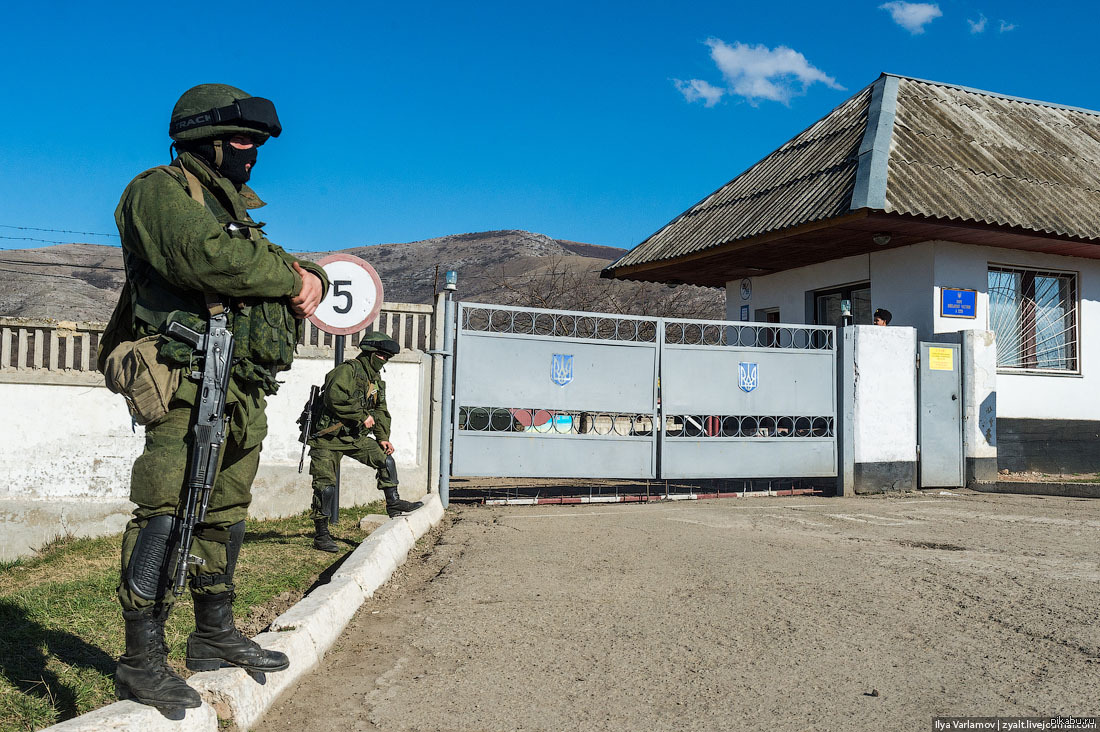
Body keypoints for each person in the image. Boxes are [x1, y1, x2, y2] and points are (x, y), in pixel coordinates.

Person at [102, 84, 329, 710]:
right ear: (203, 140)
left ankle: (212, 634)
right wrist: (292, 278)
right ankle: (141, 658)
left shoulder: (233, 212)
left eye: (257, 143)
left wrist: (311, 276)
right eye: (241, 141)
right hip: (183, 380)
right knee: (166, 509)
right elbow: (204, 259)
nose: (252, 153)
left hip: (237, 385)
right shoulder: (158, 192)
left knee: (225, 509)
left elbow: (280, 263)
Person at [307, 332, 423, 552]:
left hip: (353, 437)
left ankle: (393, 503)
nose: (384, 360)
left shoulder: (375, 380)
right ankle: (321, 535)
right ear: (370, 353)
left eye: (387, 357)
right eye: (381, 355)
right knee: (326, 488)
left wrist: (383, 437)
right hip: (327, 438)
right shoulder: (347, 371)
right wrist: (360, 415)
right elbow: (334, 397)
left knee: (385, 460)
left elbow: (380, 410)